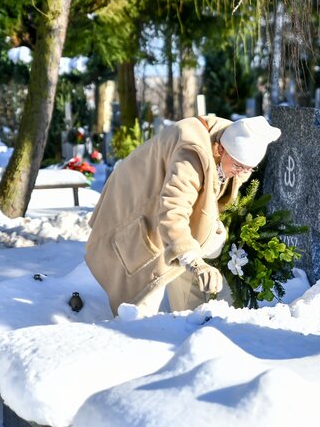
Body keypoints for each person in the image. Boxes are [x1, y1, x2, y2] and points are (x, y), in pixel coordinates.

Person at [85, 115, 281, 317]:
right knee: (143, 289)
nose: (240, 174)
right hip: (133, 204)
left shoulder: (232, 140)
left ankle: (188, 327)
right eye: (238, 167)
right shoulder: (191, 154)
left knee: (185, 264)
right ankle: (135, 336)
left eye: (248, 169)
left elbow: (208, 191)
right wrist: (195, 262)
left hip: (162, 207)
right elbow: (173, 211)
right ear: (220, 149)